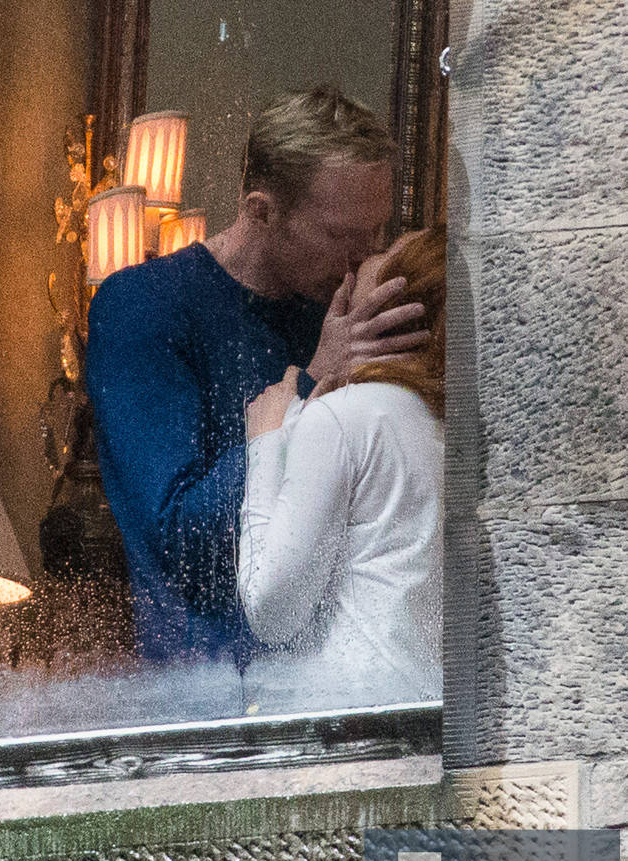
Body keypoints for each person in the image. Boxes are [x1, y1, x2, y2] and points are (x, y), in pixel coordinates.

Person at [86, 87, 429, 666]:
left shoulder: (344, 310)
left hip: (343, 680)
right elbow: (179, 538)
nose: (365, 258)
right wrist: (313, 382)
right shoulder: (143, 308)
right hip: (206, 689)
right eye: (342, 236)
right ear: (261, 210)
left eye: (376, 233)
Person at [237, 228, 445, 712]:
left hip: (352, 712)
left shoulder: (346, 416)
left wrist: (265, 442)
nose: (366, 255)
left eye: (386, 250)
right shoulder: (453, 419)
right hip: (434, 708)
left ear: (396, 303)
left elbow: (272, 614)